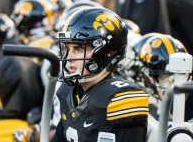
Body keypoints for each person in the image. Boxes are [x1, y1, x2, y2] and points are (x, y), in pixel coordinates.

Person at [53, 7, 149, 142]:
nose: (69, 57)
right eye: (67, 49)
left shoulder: (119, 100)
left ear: (106, 53)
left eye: (78, 49)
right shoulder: (68, 92)